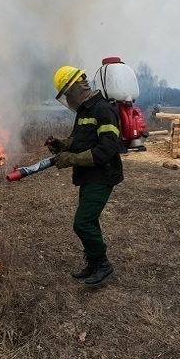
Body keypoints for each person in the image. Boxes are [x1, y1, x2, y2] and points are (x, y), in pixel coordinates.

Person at [48, 65, 123, 287]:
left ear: (75, 88)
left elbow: (107, 149)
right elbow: (78, 139)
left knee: (82, 223)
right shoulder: (84, 111)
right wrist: (63, 144)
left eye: (68, 95)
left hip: (103, 175)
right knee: (89, 220)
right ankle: (93, 262)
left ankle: (102, 264)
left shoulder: (103, 110)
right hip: (89, 176)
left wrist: (70, 159)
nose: (68, 101)